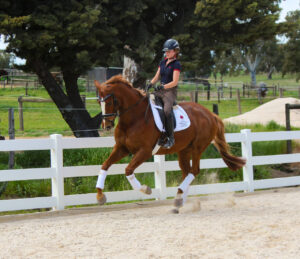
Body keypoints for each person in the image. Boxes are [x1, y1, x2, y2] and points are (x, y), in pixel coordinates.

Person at [147, 39, 181, 149]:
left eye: (169, 51)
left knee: (166, 110)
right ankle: (157, 133)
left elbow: (175, 82)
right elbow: (157, 77)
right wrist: (150, 84)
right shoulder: (162, 62)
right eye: (165, 51)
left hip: (170, 91)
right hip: (160, 90)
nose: (166, 53)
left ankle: (171, 138)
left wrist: (163, 86)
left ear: (175, 51)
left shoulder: (176, 64)